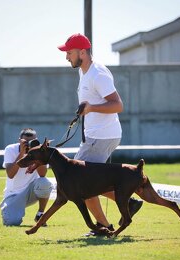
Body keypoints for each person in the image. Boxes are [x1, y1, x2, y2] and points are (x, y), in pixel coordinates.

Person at [58, 33, 143, 236]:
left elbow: (118, 105)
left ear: (82, 52)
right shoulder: (84, 72)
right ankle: (129, 203)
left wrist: (91, 108)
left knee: (80, 183)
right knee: (91, 182)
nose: (66, 57)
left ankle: (104, 227)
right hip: (96, 136)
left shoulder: (98, 73)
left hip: (102, 136)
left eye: (69, 53)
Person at [0, 128, 53, 226]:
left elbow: (42, 174)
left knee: (44, 182)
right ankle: (8, 210)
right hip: (13, 195)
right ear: (19, 140)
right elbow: (10, 175)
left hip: (32, 192)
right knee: (11, 222)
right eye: (26, 142)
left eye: (32, 141)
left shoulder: (39, 151)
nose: (29, 144)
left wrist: (39, 155)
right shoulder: (10, 149)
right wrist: (21, 154)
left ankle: (40, 215)